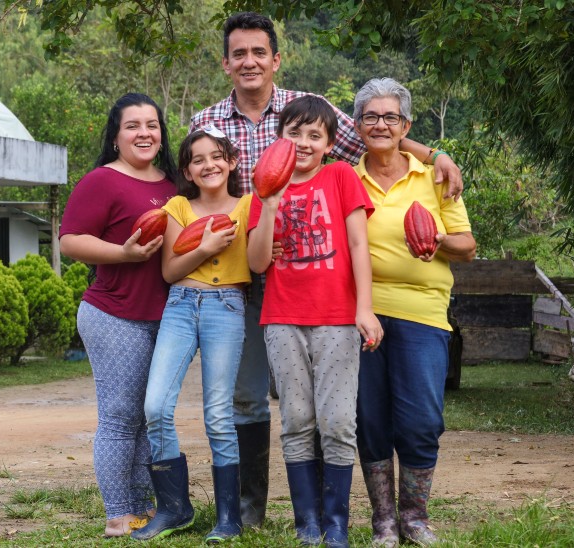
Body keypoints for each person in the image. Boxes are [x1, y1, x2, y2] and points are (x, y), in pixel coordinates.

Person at [190, 11, 465, 527]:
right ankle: (251, 508)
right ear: (226, 63)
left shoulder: (305, 114)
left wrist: (436, 152)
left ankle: (323, 514)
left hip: (320, 290)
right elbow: (196, 182)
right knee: (251, 396)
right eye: (239, 53)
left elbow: (375, 134)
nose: (249, 62)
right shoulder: (206, 122)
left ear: (275, 58)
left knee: (330, 410)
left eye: (259, 52)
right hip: (244, 274)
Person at [247, 96, 383, 547]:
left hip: (337, 319)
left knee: (338, 422)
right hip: (283, 318)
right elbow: (257, 261)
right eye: (294, 133)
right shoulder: (262, 187)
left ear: (328, 144)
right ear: (279, 138)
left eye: (314, 135)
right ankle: (307, 523)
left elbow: (360, 247)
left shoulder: (340, 176)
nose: (303, 143)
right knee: (297, 420)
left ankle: (336, 524)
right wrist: (268, 205)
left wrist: (364, 308)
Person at [351, 78, 476, 547]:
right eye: (371, 117)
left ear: (405, 125)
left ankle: (415, 517)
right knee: (371, 417)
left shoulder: (435, 177)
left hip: (424, 314)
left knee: (422, 419)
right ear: (358, 125)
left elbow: (467, 246)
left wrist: (436, 239)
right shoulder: (345, 178)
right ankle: (384, 520)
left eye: (390, 117)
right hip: (363, 314)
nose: (380, 125)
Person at [58, 92, 178, 538]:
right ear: (115, 136)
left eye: (151, 124)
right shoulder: (102, 181)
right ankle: (117, 513)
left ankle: (144, 507)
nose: (144, 133)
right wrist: (123, 253)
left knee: (150, 415)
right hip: (114, 314)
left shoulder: (174, 185)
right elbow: (69, 241)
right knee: (120, 415)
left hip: (164, 318)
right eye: (133, 125)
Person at [132, 127, 251, 542]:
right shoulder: (178, 206)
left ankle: (228, 518)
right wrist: (205, 246)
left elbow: (258, 261)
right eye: (197, 159)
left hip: (227, 308)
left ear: (231, 161)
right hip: (181, 306)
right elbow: (169, 271)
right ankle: (174, 509)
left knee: (218, 414)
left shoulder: (250, 206)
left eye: (216, 156)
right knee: (155, 406)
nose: (208, 165)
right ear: (187, 170)